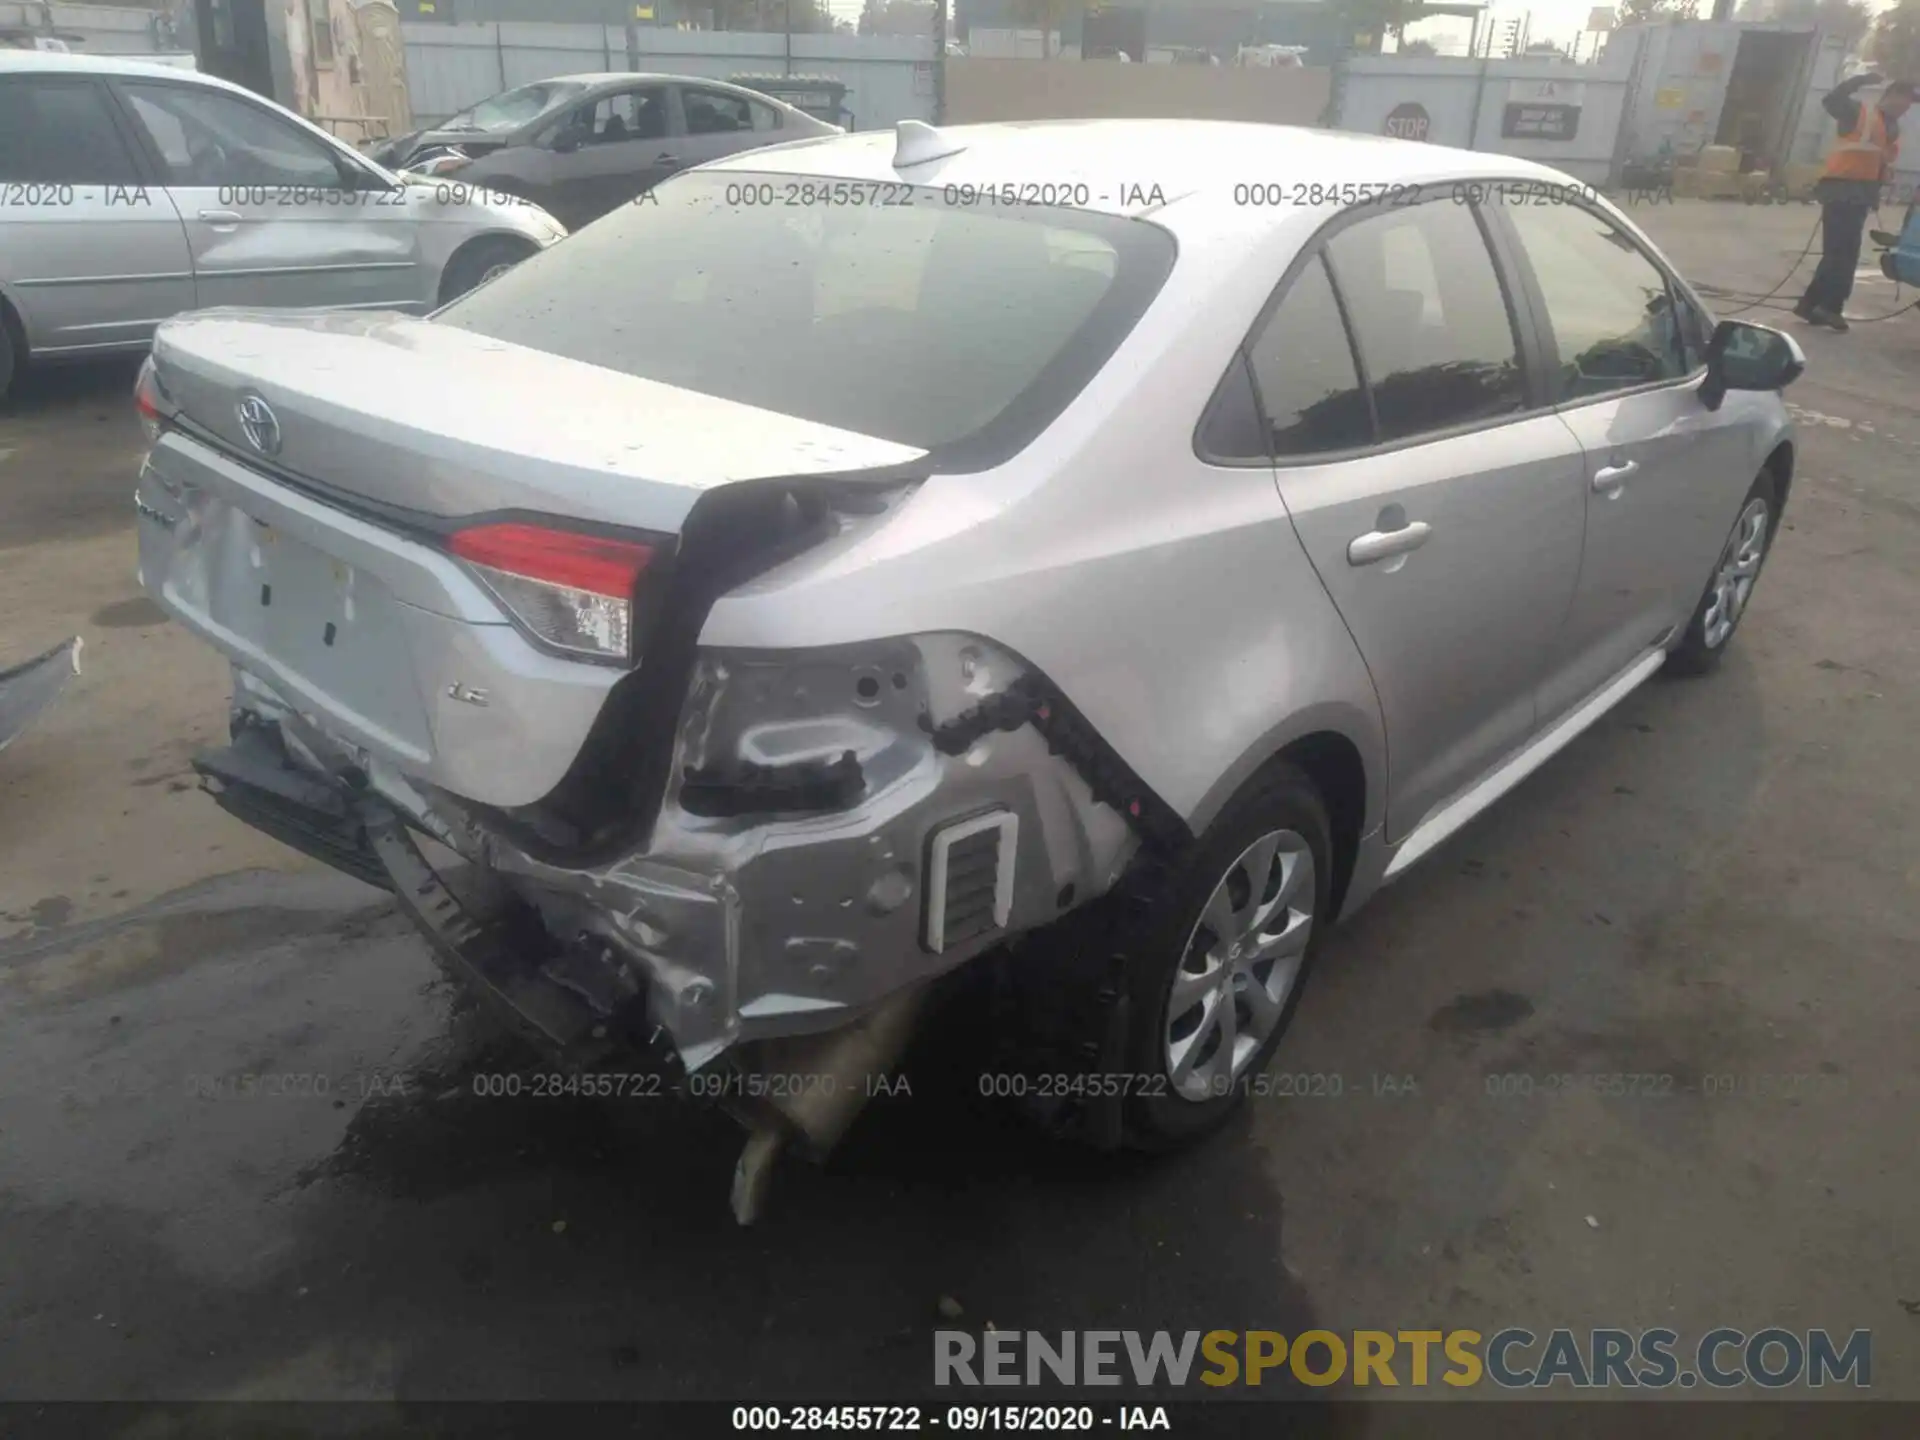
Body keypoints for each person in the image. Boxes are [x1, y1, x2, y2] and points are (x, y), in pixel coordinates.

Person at [1794, 73, 1914, 332]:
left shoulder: (1890, 127)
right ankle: (1830, 307)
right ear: (1889, 95)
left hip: (1860, 195)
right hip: (1841, 191)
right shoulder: (1858, 113)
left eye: (1908, 105)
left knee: (1837, 253)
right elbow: (1831, 100)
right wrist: (1861, 80)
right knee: (1844, 254)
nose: (1904, 108)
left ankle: (1810, 305)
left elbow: (1876, 161)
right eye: (1902, 101)